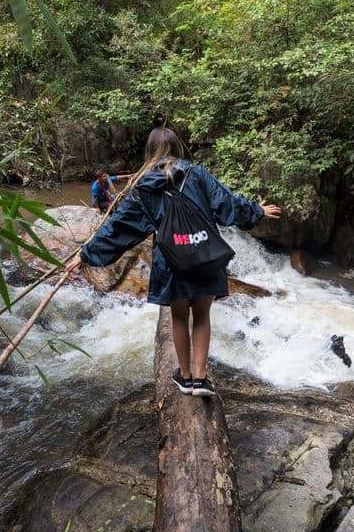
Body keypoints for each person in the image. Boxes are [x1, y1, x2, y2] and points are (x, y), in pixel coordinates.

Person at [66, 127, 280, 397]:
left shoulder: (142, 187)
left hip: (172, 260)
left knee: (179, 316)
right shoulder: (198, 174)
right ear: (178, 147)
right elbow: (226, 204)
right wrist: (257, 210)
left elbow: (119, 229)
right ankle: (202, 379)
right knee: (202, 315)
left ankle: (185, 376)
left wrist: (86, 253)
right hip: (206, 255)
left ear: (150, 151)